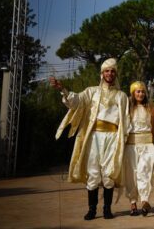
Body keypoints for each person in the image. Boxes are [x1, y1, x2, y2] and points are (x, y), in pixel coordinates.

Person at [52, 58, 128, 220]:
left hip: (113, 137)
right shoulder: (91, 92)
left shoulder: (122, 96)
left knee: (109, 174)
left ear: (116, 74)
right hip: (94, 136)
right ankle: (92, 210)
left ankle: (107, 209)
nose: (110, 73)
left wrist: (124, 139)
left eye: (113, 71)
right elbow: (76, 102)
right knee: (93, 172)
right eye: (107, 70)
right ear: (102, 74)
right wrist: (63, 90)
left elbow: (126, 120)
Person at [124, 81, 154, 216]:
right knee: (132, 174)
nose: (141, 94)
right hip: (131, 145)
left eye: (142, 91)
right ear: (133, 93)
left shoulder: (150, 108)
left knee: (145, 172)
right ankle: (132, 203)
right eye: (138, 91)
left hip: (147, 145)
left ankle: (144, 200)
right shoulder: (127, 109)